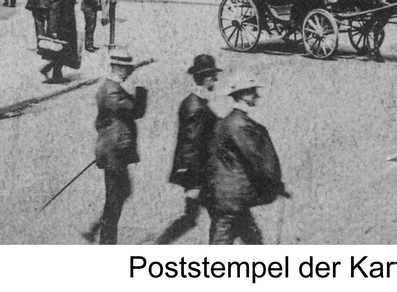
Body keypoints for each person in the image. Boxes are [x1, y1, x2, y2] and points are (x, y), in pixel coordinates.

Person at [209, 75, 289, 244]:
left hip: (228, 196)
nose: (256, 96)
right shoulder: (240, 125)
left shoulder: (226, 122)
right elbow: (255, 158)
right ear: (243, 95)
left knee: (253, 241)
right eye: (252, 92)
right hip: (233, 199)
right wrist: (273, 183)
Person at [157, 54, 222, 244]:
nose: (216, 80)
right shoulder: (196, 106)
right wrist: (193, 181)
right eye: (213, 76)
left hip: (200, 172)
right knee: (200, 218)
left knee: (203, 217)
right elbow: (191, 144)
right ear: (207, 78)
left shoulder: (195, 102)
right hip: (198, 173)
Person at [88, 50, 148, 244]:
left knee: (119, 195)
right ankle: (106, 243)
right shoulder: (113, 91)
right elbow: (137, 110)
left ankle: (103, 237)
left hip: (113, 150)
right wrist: (140, 88)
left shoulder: (112, 88)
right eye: (127, 69)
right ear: (119, 68)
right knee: (114, 200)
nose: (129, 73)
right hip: (114, 153)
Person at [40, 0, 80, 82]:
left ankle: (51, 71)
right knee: (61, 52)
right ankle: (54, 74)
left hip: (68, 28)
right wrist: (52, 30)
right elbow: (54, 11)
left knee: (64, 52)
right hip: (61, 28)